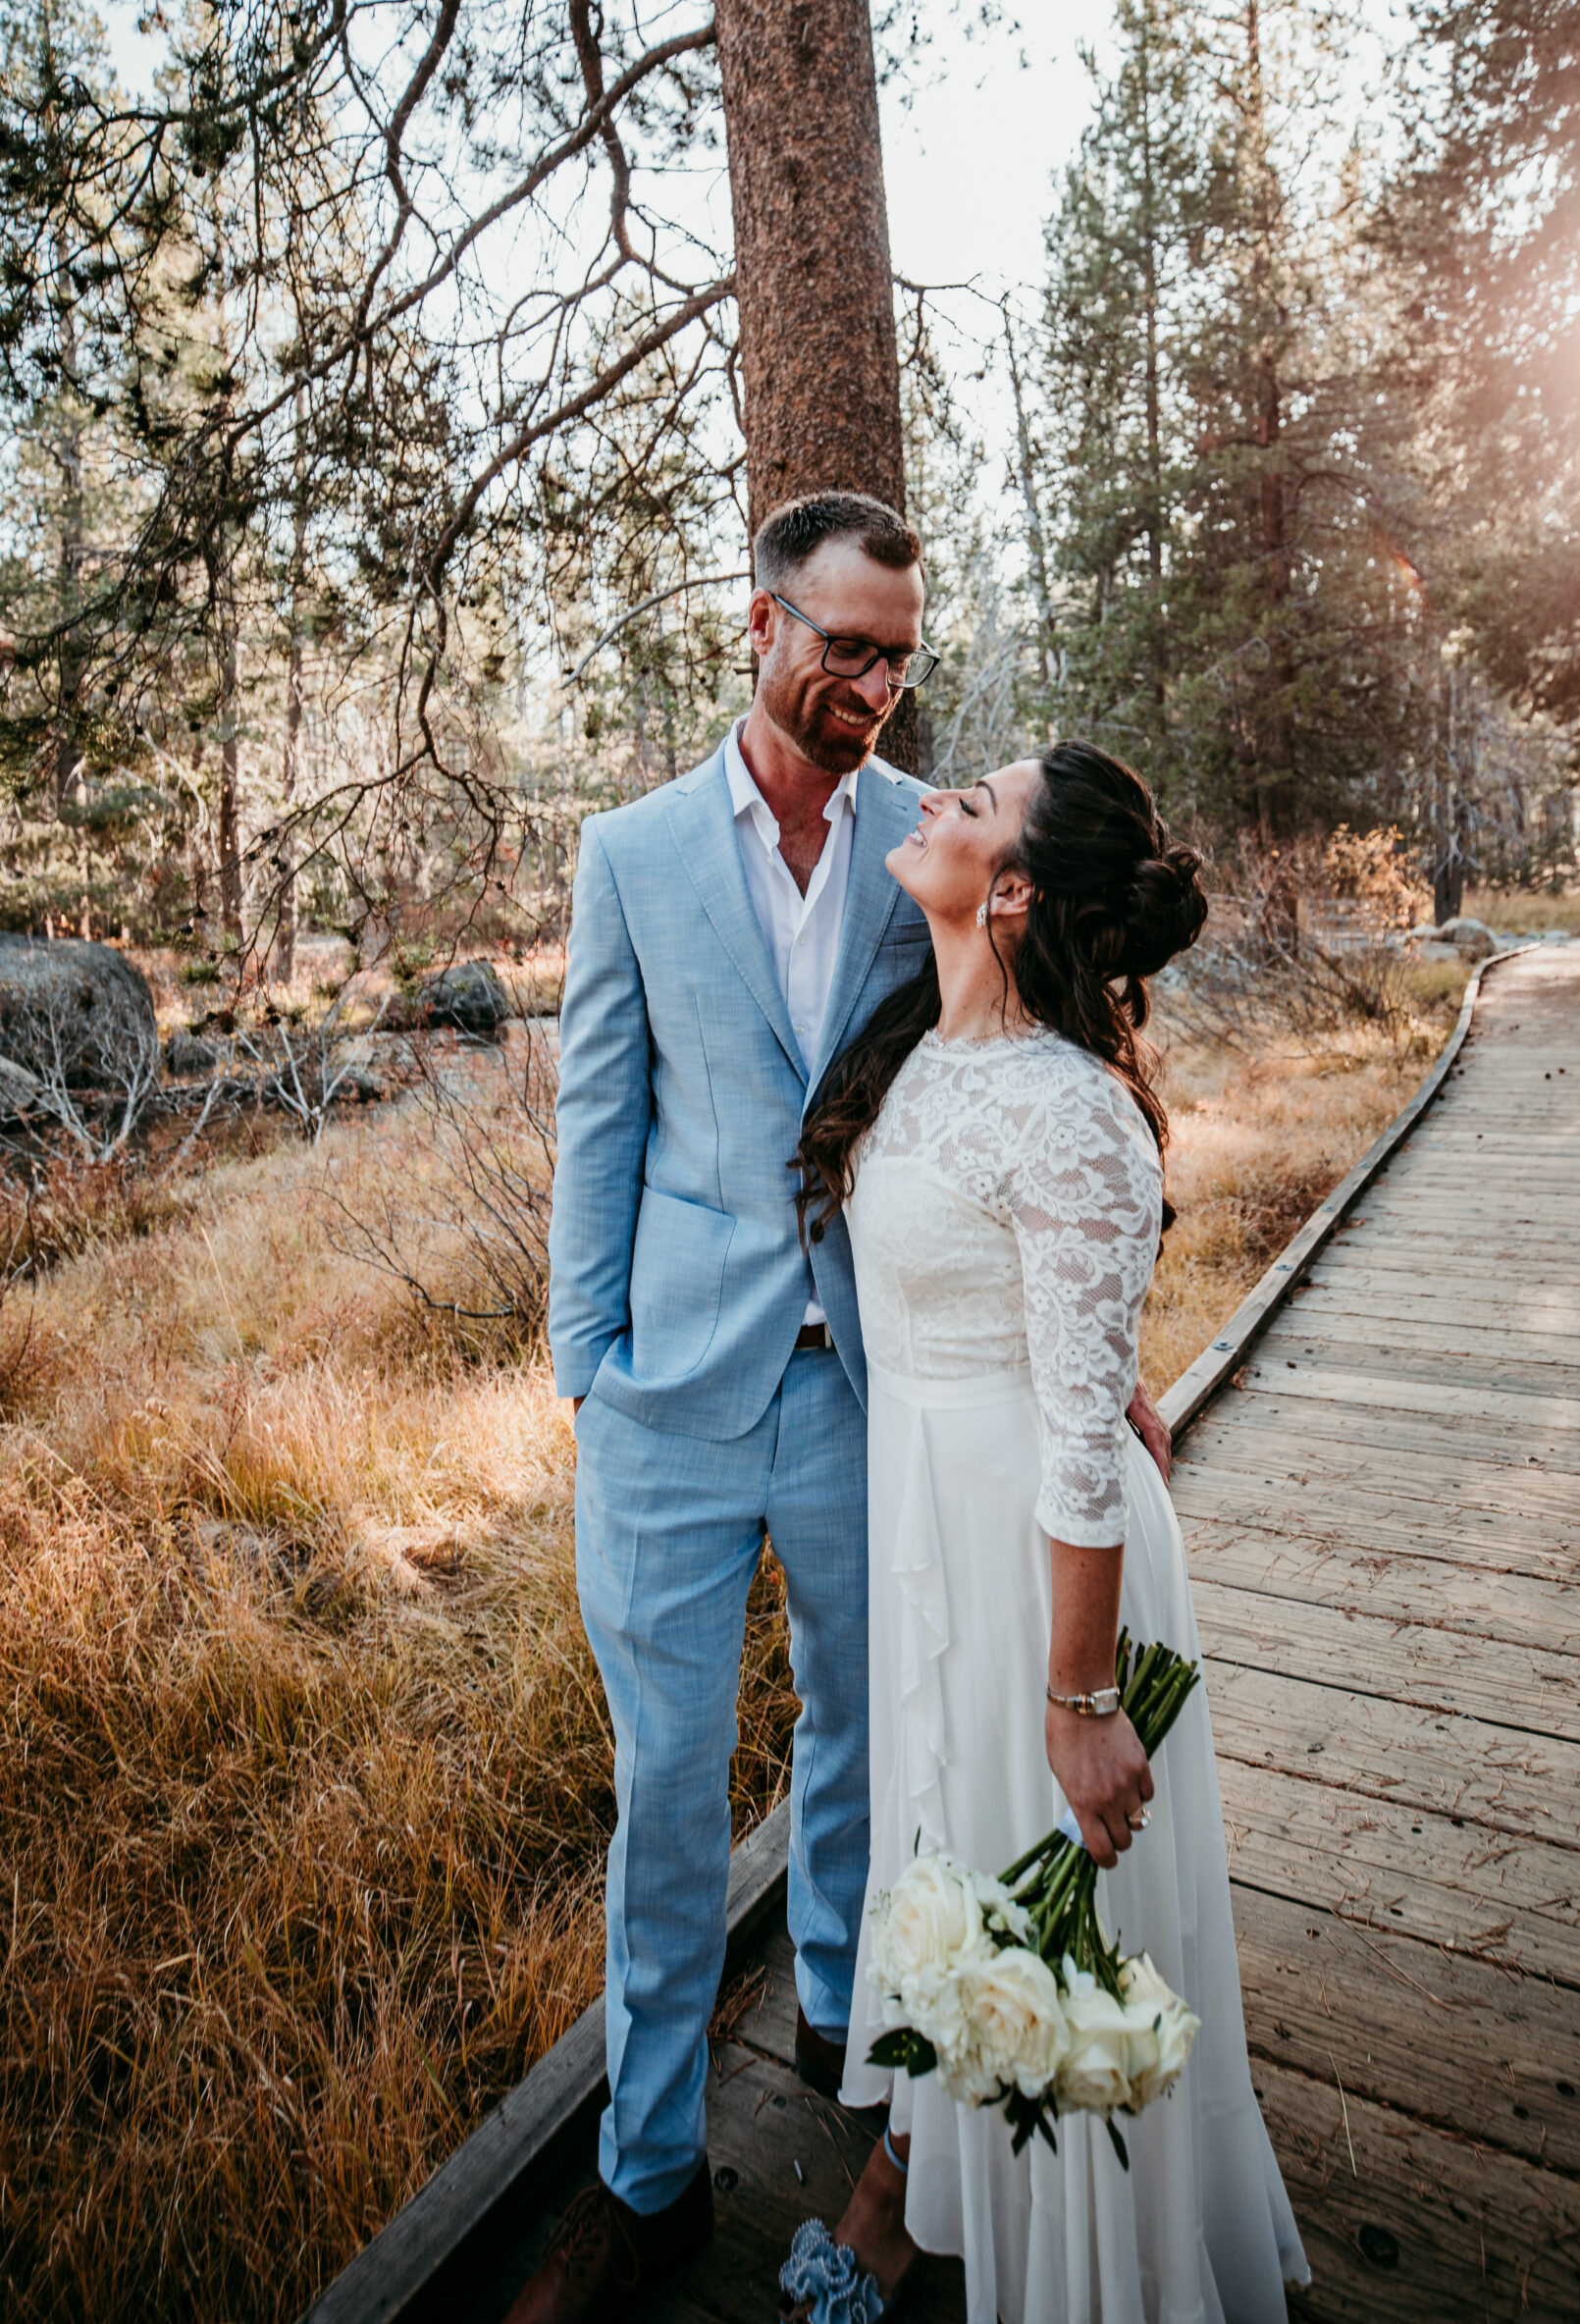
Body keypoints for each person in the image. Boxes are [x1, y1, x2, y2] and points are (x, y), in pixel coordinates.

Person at [505, 489, 1186, 2324]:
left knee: (865, 1742)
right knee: (662, 1790)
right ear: (763, 625)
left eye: (899, 653)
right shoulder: (633, 852)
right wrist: (590, 1366)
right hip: (670, 1400)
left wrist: (1094, 1358)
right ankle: (646, 2172)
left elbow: (1031, 1086)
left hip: (873, 1403)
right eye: (844, 645)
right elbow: (599, 1123)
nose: (876, 684)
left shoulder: (932, 850)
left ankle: (848, 2027)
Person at [780, 743, 1311, 2324]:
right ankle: (921, 2185)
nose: (933, 796)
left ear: (1010, 888)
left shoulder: (1075, 1112)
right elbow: (1024, 1302)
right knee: (961, 1873)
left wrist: (1083, 1705)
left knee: (1041, 1899)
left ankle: (1082, 2270)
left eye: (974, 801)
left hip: (1041, 1563)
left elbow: (1080, 1445)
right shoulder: (933, 1054)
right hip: (937, 1520)